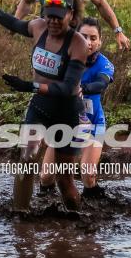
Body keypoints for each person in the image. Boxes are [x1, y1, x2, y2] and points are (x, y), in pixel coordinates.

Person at [0, 0, 90, 212]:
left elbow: (68, 88)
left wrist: (30, 86)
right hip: (40, 107)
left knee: (63, 178)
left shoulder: (78, 44)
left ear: (71, 16)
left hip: (67, 113)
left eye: (59, 17)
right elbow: (10, 22)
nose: (53, 22)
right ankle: (20, 218)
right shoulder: (38, 27)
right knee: (27, 159)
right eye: (49, 16)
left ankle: (78, 221)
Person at [40, 17, 115, 199]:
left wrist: (82, 88)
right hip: (64, 124)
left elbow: (101, 83)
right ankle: (47, 210)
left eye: (93, 38)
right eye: (83, 36)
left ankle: (94, 211)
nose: (88, 42)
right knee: (46, 176)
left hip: (92, 124)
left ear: (100, 41)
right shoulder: (63, 59)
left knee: (88, 176)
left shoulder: (104, 64)